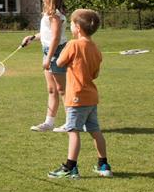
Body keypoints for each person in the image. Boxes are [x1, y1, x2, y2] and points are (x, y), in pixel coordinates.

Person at [48, 9, 112, 179]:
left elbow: (60, 62)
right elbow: (95, 74)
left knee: (73, 130)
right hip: (91, 97)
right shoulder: (95, 48)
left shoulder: (73, 45)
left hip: (76, 96)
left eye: (71, 23)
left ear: (77, 27)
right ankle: (103, 164)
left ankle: (70, 166)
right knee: (95, 131)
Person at [21, 0, 68, 132]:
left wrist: (49, 58)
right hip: (48, 51)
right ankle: (49, 122)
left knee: (62, 90)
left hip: (56, 52)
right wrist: (33, 37)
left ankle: (71, 122)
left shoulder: (55, 15)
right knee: (52, 90)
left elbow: (55, 37)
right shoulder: (49, 14)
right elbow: (47, 34)